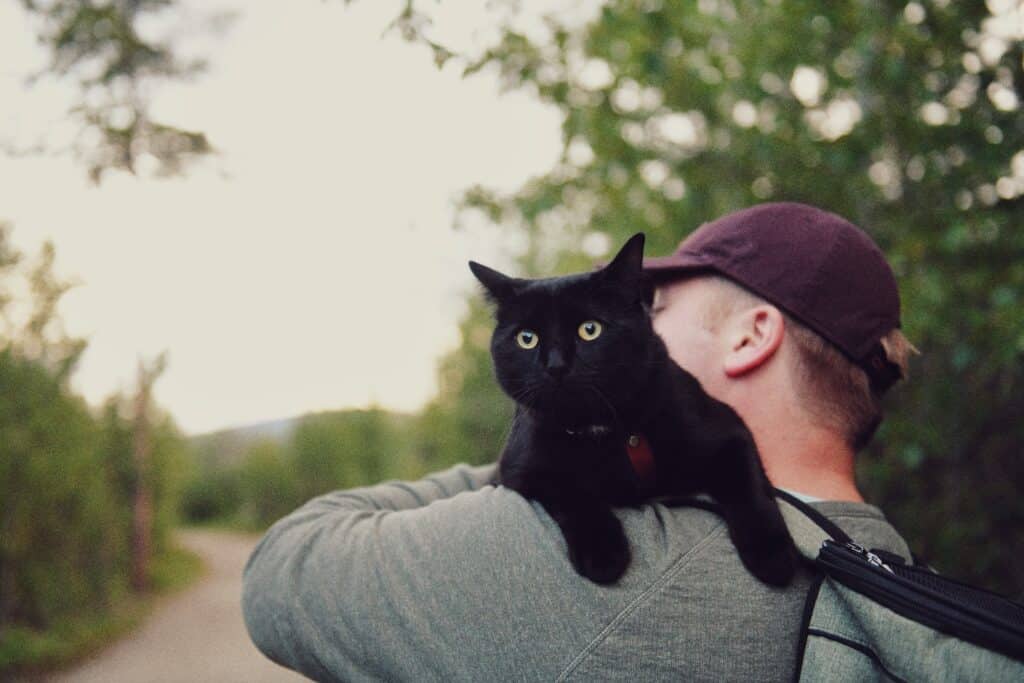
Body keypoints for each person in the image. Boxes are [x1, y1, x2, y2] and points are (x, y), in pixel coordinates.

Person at [242, 202, 915, 681]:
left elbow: (280, 571)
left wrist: (534, 448)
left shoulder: (565, 572)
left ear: (750, 336)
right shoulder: (903, 581)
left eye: (657, 305)